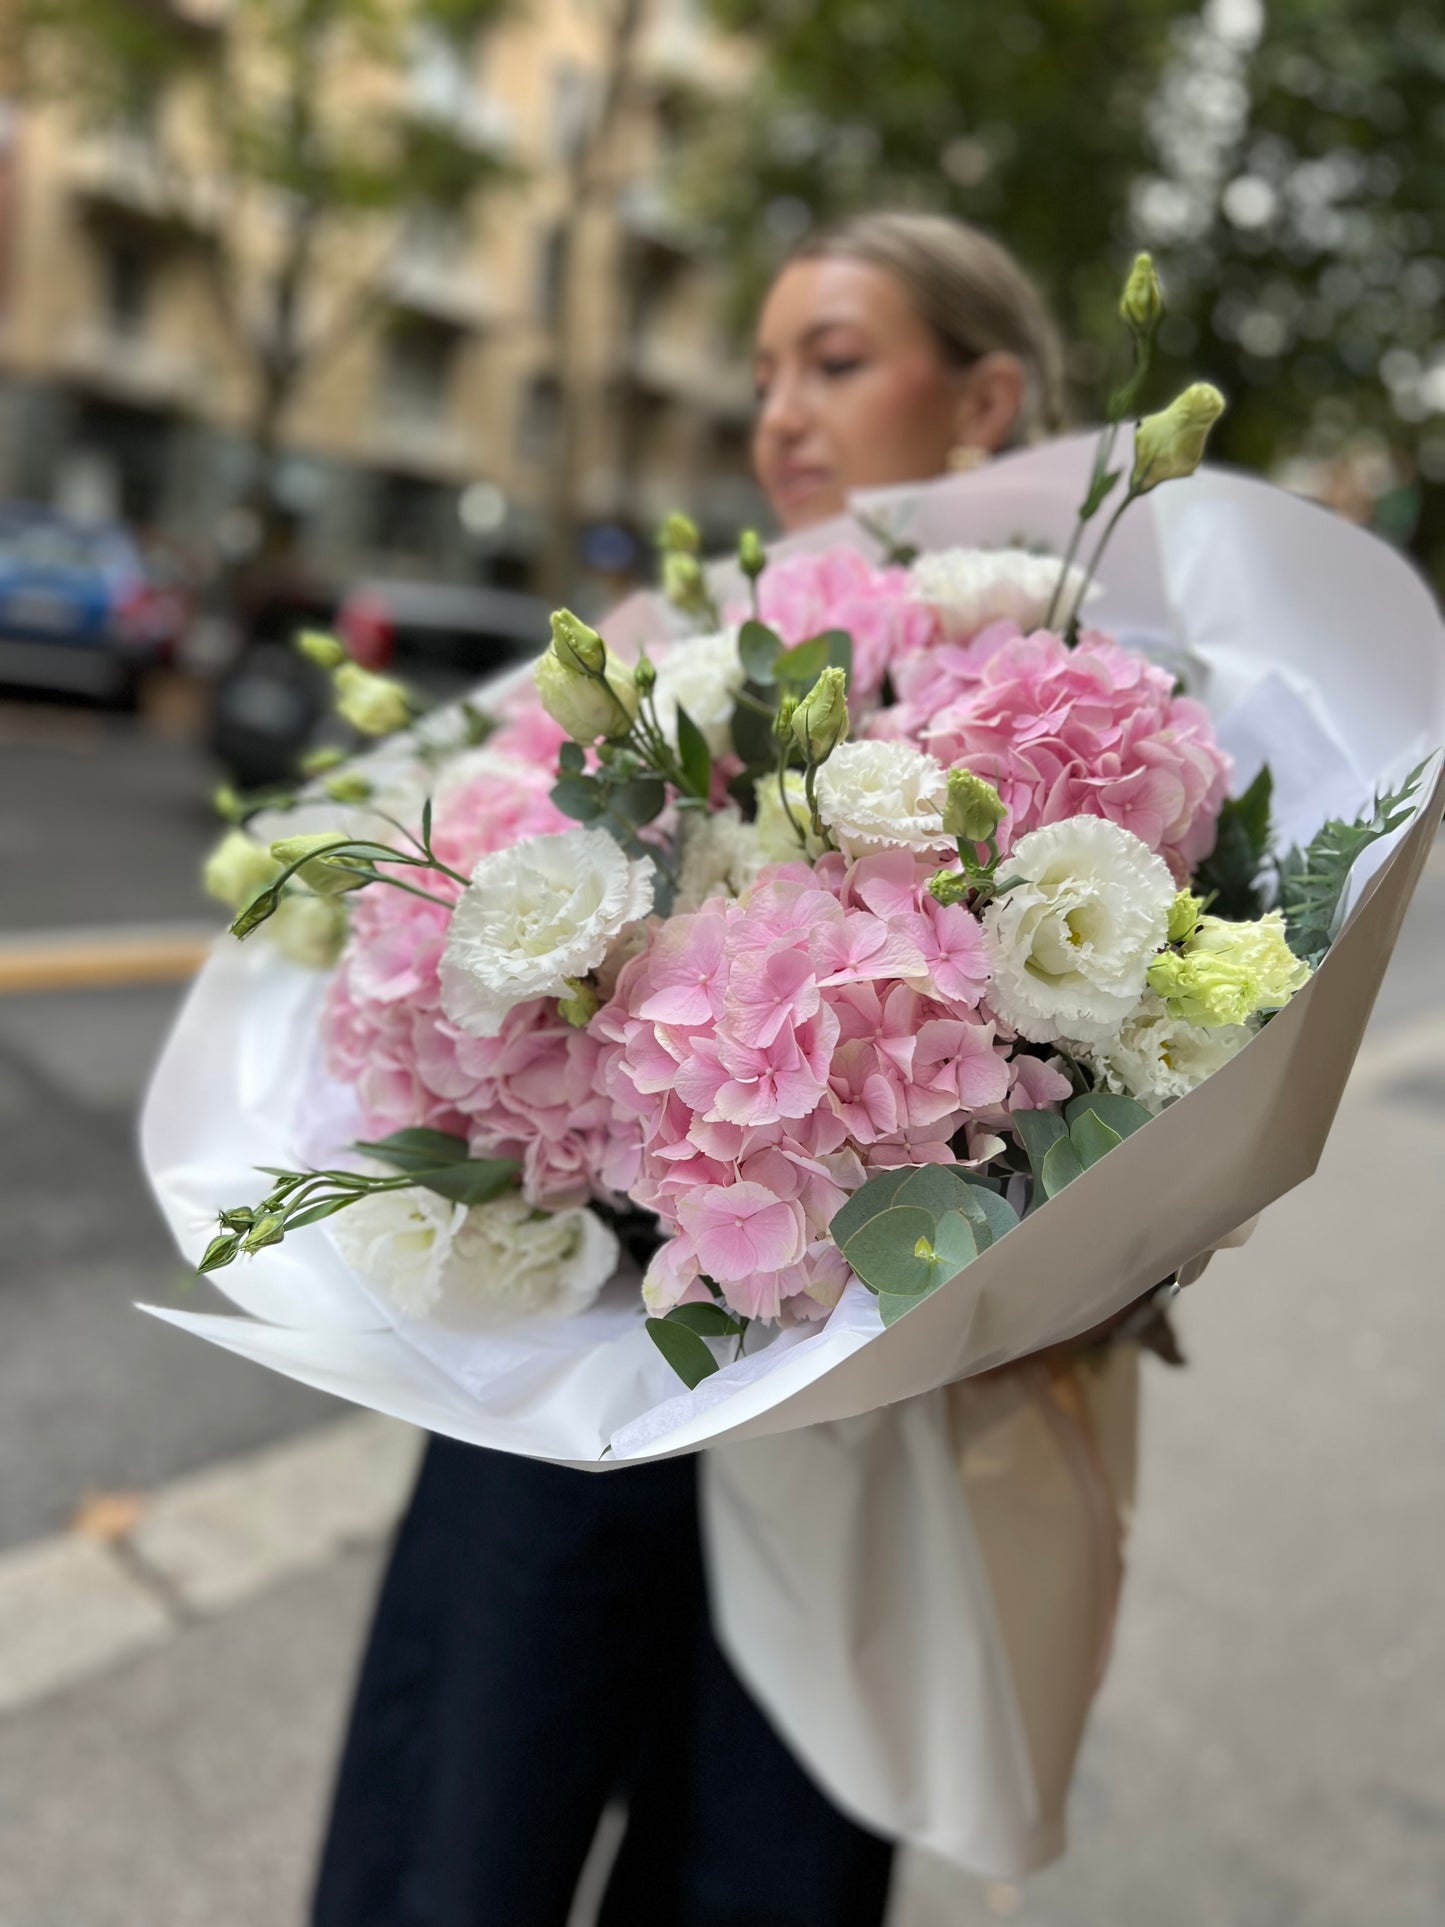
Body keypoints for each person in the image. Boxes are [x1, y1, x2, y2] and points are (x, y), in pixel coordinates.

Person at [311, 211, 1068, 1927]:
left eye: (835, 360)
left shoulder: (1079, 680)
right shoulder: (681, 652)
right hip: (574, 1379)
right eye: (762, 374)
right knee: (461, 1840)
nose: (778, 414)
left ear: (984, 398)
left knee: (761, 1870)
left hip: (857, 1422)